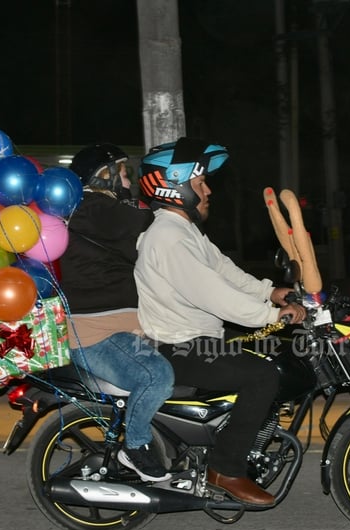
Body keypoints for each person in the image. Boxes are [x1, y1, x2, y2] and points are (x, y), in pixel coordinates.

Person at [133, 137, 306, 506]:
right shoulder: (167, 237)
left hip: (195, 337)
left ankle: (229, 434)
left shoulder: (183, 231)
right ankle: (226, 469)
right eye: (200, 183)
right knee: (262, 375)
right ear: (174, 185)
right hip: (177, 347)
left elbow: (222, 269)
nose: (208, 190)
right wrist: (273, 315)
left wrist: (269, 292)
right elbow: (213, 294)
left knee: (271, 350)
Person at [59, 142, 174, 482]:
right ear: (104, 177)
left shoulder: (96, 214)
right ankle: (135, 447)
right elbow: (151, 222)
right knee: (156, 376)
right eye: (123, 173)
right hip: (97, 334)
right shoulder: (94, 207)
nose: (128, 181)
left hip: (120, 328)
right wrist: (176, 201)